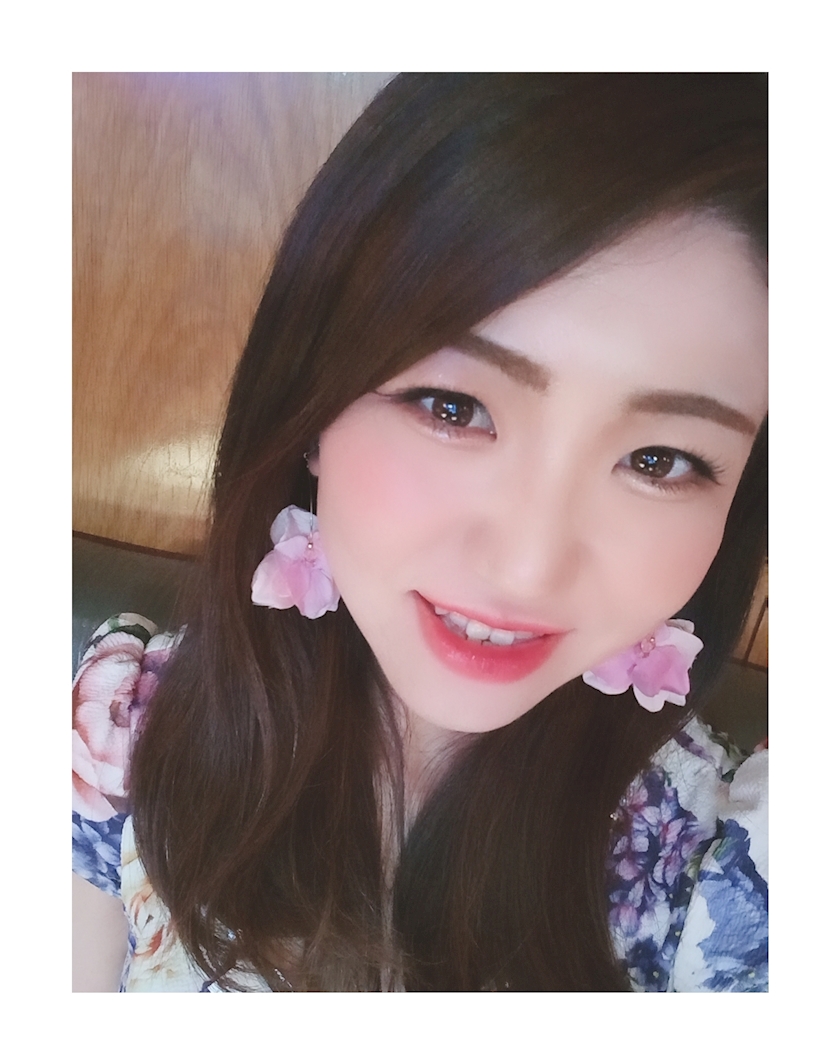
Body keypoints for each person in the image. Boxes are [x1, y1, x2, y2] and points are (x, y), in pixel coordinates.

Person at [72, 73, 768, 992]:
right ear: (312, 405)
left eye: (659, 460)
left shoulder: (729, 876)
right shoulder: (124, 729)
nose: (527, 566)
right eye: (453, 406)